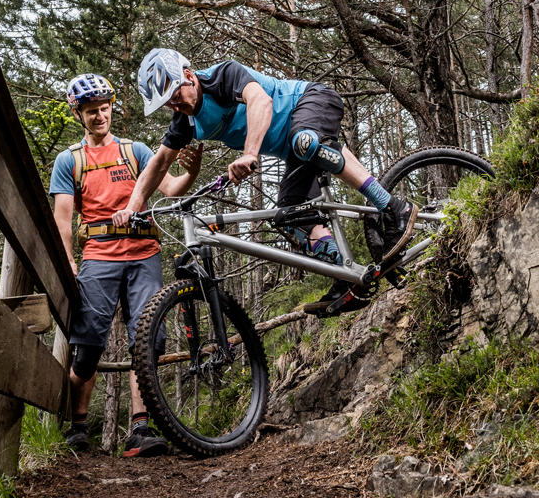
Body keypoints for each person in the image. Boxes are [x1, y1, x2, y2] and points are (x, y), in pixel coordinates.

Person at [123, 49, 416, 316]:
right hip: (295, 149)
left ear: (188, 77)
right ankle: (348, 276)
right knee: (291, 217)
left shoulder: (222, 76)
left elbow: (260, 100)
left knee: (305, 142)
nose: (175, 106)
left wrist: (249, 154)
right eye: (167, 104)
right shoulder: (185, 122)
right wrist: (133, 208)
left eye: (175, 96)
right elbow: (159, 163)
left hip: (312, 101)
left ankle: (394, 207)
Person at [50, 73, 202, 455]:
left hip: (144, 254)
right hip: (99, 256)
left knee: (148, 339)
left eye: (104, 109)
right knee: (88, 344)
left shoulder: (136, 151)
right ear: (78, 114)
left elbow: (170, 188)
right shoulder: (70, 160)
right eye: (91, 111)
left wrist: (193, 172)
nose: (100, 116)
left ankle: (141, 429)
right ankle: (78, 429)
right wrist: (68, 260)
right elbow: (62, 219)